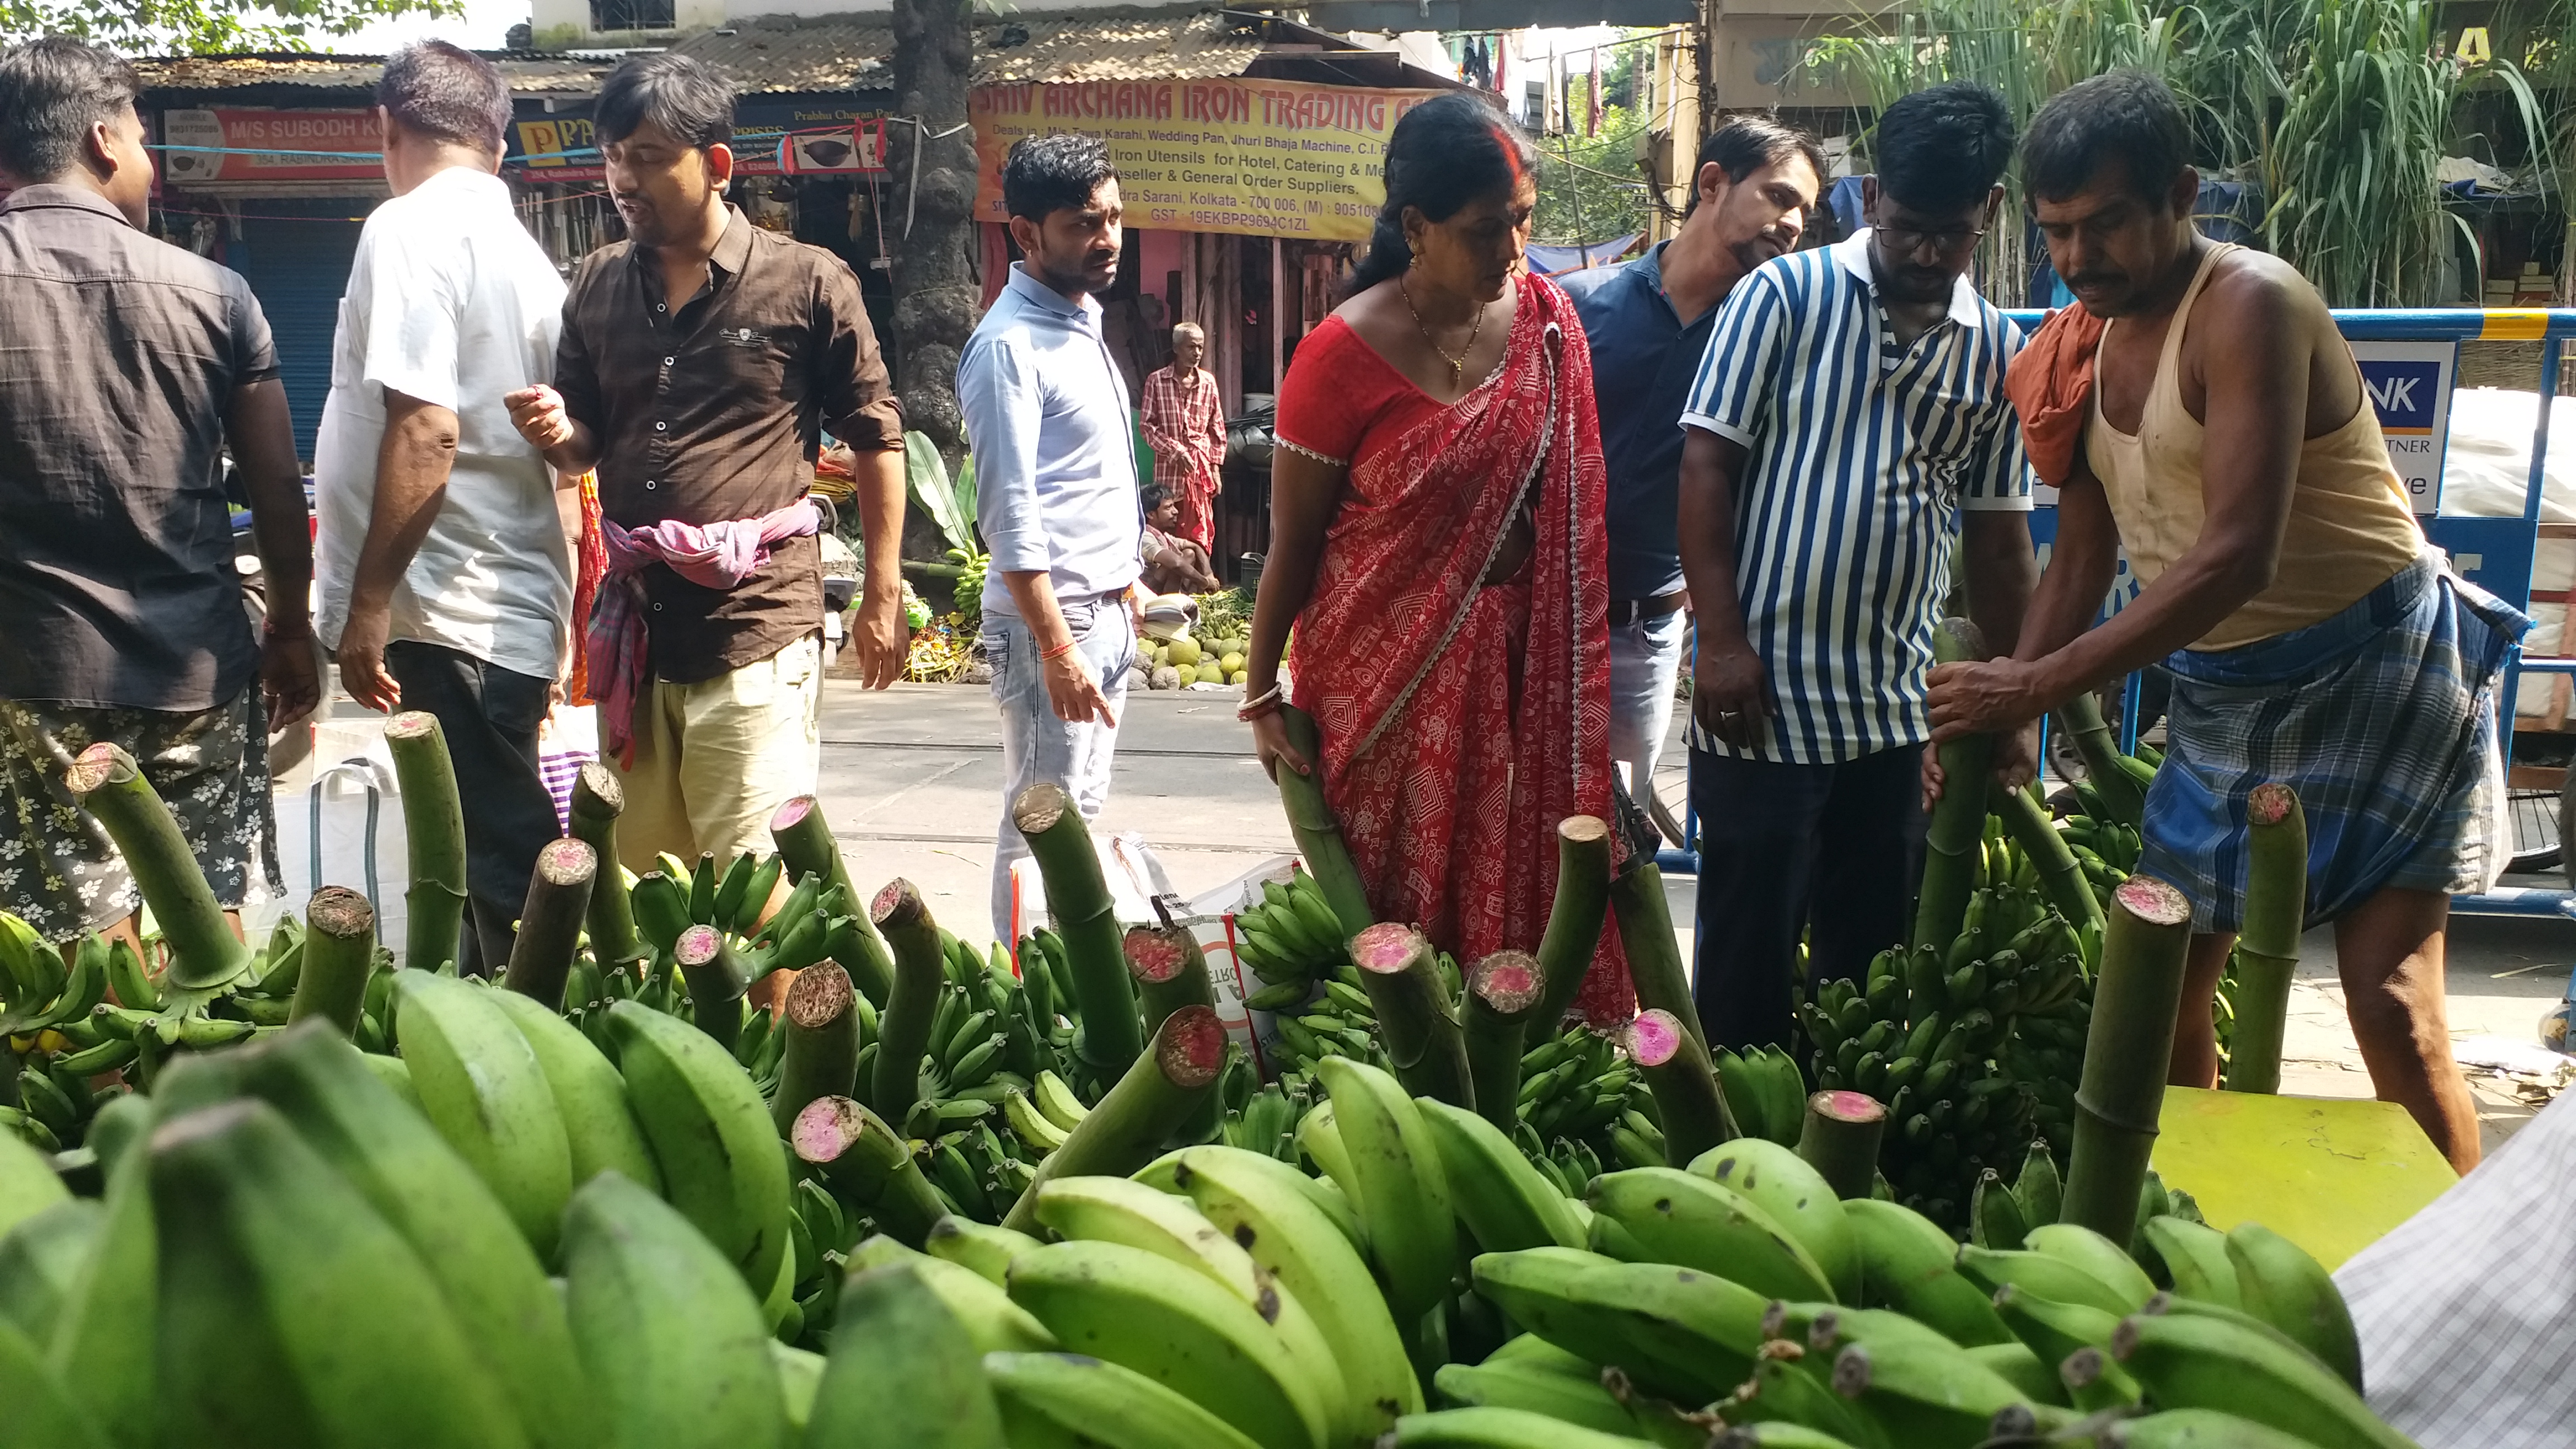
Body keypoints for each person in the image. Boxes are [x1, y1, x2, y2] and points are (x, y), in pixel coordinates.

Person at [1926, 70, 2520, 1172]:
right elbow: (2083, 560)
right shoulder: (2076, 346)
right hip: (2223, 688)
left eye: (2105, 223)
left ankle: (2461, 1262)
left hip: (2378, 664)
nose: (2077, 256)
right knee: (2154, 988)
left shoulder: (2252, 303)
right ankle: (2193, 1218)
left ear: (2183, 194)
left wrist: (2033, 688)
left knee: (2389, 1001)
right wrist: (2011, 708)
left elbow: (2236, 554)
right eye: (2056, 231)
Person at [1246, 93, 1628, 1021]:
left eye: (1524, 222)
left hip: (1512, 675)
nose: (1513, 250)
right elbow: (1293, 545)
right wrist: (1261, 690)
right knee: (1385, 906)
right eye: (1486, 229)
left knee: (1508, 874)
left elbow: (1566, 513)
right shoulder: (1339, 357)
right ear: (1415, 227)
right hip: (1377, 681)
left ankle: (1513, 1055)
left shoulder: (1545, 327)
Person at [1677, 80, 2037, 1052]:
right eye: (1908, 226)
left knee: (1867, 976)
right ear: (1870, 199)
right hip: (1758, 698)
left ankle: (1843, 1150)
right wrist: (1718, 642)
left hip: (1890, 717)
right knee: (1743, 970)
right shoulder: (1779, 297)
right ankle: (1729, 1155)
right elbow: (1706, 465)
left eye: (1950, 235)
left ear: (1987, 216)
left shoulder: (2001, 353)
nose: (1926, 252)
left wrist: (2013, 701)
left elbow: (2000, 544)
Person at [505, 53, 908, 881]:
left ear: (716, 165)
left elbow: (877, 437)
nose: (624, 178)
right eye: (614, 156)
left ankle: (781, 1015)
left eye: (648, 158)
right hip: (639, 633)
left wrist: (883, 593)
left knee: (753, 889)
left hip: (754, 627)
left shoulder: (807, 281)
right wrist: (556, 431)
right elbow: (586, 442)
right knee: (647, 888)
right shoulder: (596, 283)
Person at [0, 37, 319, 946]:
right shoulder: (218, 296)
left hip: (34, 671)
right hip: (200, 667)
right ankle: (202, 1080)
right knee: (204, 922)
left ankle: (101, 1089)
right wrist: (290, 630)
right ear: (104, 140)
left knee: (75, 923)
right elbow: (275, 490)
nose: (147, 162)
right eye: (142, 138)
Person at [314, 41, 571, 974]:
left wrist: (369, 607)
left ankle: (544, 1068)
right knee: (474, 859)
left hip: (447, 603)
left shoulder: (408, 226)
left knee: (500, 863)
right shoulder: (528, 257)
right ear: (498, 147)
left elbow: (427, 431)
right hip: (498, 600)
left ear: (387, 128)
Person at [1562, 116, 1826, 819]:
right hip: (1541, 619)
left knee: (1609, 836)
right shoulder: (1583, 306)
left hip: (1645, 631)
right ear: (1713, 182)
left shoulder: (1772, 342)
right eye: (1779, 196)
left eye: (1806, 210)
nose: (1794, 221)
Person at [960, 134, 1146, 941]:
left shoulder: (1077, 322)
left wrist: (1126, 580)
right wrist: (1059, 646)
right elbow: (1010, 516)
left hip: (1101, 611)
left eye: (1112, 218)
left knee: (1080, 813)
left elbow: (1085, 480)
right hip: (1053, 626)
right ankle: (1018, 1000)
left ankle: (1063, 982)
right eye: (1082, 225)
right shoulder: (1008, 349)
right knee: (1040, 825)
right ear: (1027, 235)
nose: (1105, 240)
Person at [1141, 321, 1228, 556]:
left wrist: (1215, 469)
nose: (1197, 353)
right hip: (1169, 472)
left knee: (1199, 530)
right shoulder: (1157, 381)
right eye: (1191, 347)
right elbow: (1147, 427)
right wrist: (1175, 451)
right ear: (1177, 348)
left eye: (1200, 347)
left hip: (1200, 473)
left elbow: (1217, 427)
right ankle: (1172, 582)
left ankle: (1198, 583)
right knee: (1169, 530)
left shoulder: (1208, 382)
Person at [1140, 483, 1220, 595]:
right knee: (1173, 562)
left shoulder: (1164, 536)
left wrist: (1208, 574)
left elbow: (1195, 546)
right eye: (1168, 508)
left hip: (1159, 588)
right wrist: (1204, 582)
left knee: (1189, 553)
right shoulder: (1145, 537)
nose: (1176, 511)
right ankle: (1168, 602)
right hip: (1146, 593)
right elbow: (1176, 563)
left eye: (1173, 506)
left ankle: (1177, 597)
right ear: (1151, 514)